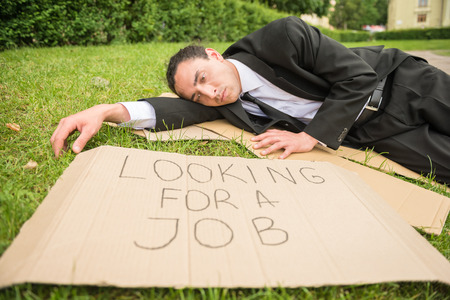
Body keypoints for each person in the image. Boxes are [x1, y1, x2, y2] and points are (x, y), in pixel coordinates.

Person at [51, 16, 450, 184]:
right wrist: (104, 111)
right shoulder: (220, 101)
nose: (209, 93)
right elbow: (169, 109)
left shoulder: (283, 37)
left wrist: (310, 136)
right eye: (198, 94)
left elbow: (357, 76)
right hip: (372, 132)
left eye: (203, 79)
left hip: (402, 86)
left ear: (214, 56)